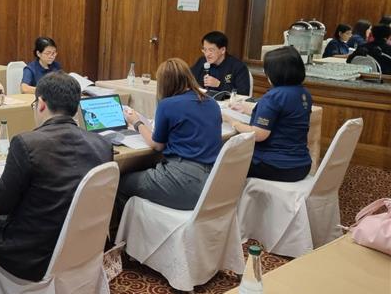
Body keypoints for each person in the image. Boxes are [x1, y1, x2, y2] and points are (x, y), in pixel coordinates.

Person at [0, 72, 112, 282]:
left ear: (41, 104)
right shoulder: (103, 145)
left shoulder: (26, 144)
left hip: (33, 256)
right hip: (80, 249)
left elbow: (1, 201)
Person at [114, 58, 222, 221]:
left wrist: (136, 122)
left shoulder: (168, 104)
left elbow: (156, 145)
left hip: (183, 182)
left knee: (121, 183)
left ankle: (127, 233)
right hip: (211, 184)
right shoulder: (211, 103)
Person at [223, 46, 312, 182]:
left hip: (274, 165)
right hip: (302, 165)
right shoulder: (303, 93)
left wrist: (232, 121)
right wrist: (247, 109)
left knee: (221, 161)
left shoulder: (274, 96)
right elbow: (282, 115)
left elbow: (258, 135)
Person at [189, 31, 250, 96]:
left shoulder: (238, 67)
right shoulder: (202, 61)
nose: (207, 54)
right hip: (202, 99)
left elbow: (243, 93)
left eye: (211, 50)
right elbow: (188, 79)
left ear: (223, 50)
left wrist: (219, 85)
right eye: (205, 50)